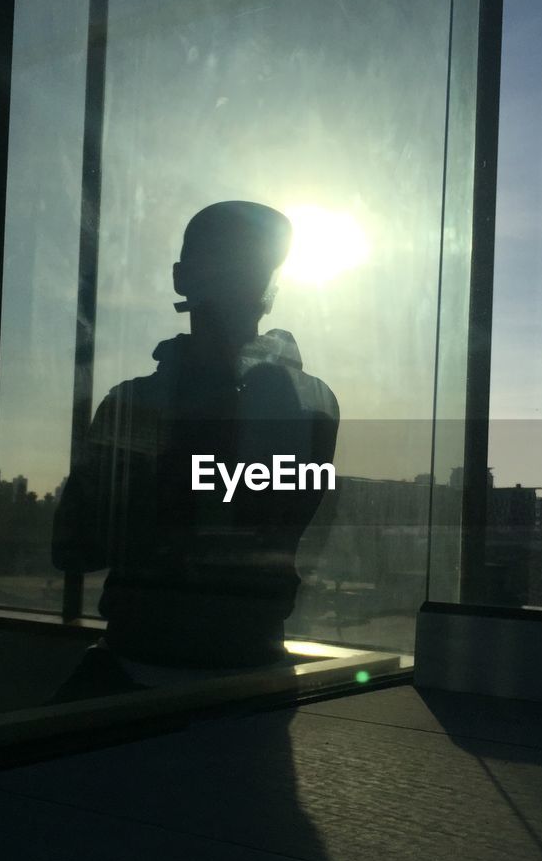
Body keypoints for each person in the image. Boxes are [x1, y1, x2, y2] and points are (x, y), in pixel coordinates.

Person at [50, 201, 339, 698]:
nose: (242, 281)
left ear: (182, 279)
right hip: (249, 668)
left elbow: (75, 546)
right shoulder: (309, 402)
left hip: (143, 663)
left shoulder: (136, 403)